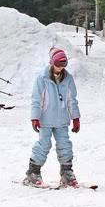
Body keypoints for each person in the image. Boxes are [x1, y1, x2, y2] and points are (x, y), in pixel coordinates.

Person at [23, 48, 81, 188]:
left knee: (65, 145)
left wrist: (75, 117)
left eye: (64, 64)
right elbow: (36, 99)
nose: (61, 67)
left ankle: (67, 173)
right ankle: (33, 173)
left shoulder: (68, 79)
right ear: (51, 62)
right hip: (46, 119)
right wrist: (35, 117)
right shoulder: (42, 79)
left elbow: (71, 100)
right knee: (43, 145)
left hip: (61, 119)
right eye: (58, 64)